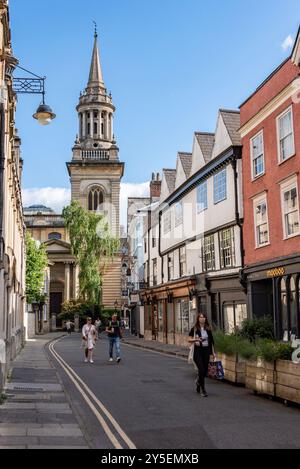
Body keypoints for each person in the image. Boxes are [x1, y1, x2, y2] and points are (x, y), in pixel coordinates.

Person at [189, 313, 216, 397]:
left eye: (204, 317)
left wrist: (214, 353)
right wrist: (196, 339)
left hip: (206, 351)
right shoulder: (194, 329)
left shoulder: (208, 328)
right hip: (197, 351)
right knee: (201, 369)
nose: (202, 318)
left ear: (205, 319)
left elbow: (212, 342)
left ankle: (198, 382)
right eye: (200, 317)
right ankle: (203, 389)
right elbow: (189, 340)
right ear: (198, 319)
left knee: (204, 371)